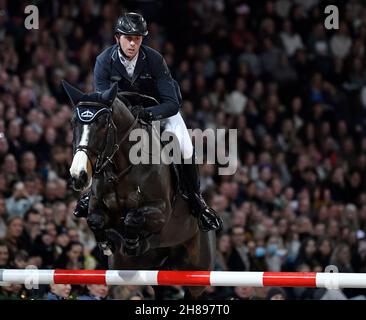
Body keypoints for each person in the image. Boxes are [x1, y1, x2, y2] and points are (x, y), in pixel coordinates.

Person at [73, 12, 221, 233]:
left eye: (137, 38)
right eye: (128, 37)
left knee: (184, 146)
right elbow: (105, 100)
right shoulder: (104, 61)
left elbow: (171, 103)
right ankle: (91, 194)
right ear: (117, 38)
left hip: (158, 111)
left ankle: (195, 200)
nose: (133, 43)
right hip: (124, 115)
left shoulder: (154, 59)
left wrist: (149, 114)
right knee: (99, 136)